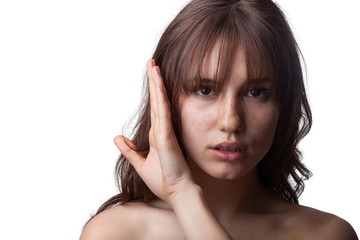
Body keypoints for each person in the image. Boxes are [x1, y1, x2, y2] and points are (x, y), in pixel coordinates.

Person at [80, 0, 358, 239]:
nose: (231, 121)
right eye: (205, 90)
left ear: (283, 104)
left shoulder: (325, 234)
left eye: (256, 92)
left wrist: (183, 194)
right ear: (164, 97)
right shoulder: (114, 234)